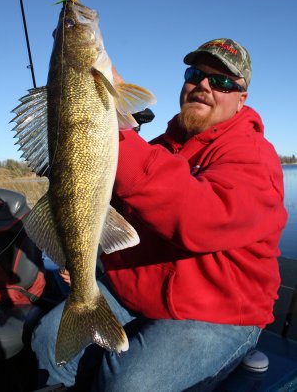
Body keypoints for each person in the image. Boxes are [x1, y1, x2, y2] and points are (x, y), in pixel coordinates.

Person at [32, 38, 287, 391]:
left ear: (242, 99)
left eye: (223, 81)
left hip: (219, 313)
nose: (204, 85)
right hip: (135, 293)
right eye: (195, 74)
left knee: (128, 385)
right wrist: (77, 251)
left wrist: (112, 132)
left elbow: (200, 219)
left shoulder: (254, 156)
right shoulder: (161, 148)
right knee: (45, 342)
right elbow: (107, 211)